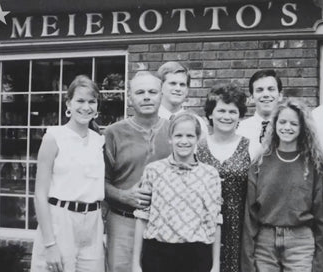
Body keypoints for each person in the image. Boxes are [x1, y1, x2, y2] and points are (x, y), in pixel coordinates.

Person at [241, 100, 323, 272]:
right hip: (265, 241)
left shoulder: (313, 164)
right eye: (282, 122)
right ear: (274, 124)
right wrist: (248, 261)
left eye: (294, 123)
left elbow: (321, 216)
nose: (287, 127)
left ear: (302, 127)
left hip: (300, 242)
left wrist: (321, 262)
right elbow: (250, 215)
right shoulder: (260, 162)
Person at [31, 75, 105, 272]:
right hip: (60, 222)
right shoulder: (53, 137)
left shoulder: (99, 141)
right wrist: (49, 244)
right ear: (68, 104)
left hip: (93, 224)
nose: (86, 107)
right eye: (80, 100)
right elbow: (39, 195)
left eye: (92, 101)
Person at [132, 113, 222, 272]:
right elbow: (142, 217)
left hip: (197, 255)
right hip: (158, 255)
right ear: (170, 138)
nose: (184, 141)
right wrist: (135, 264)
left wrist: (216, 265)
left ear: (197, 138)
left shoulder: (210, 174)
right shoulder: (154, 171)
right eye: (178, 135)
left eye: (190, 136)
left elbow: (215, 221)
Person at [104, 71, 172, 272]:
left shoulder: (175, 131)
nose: (147, 96)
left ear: (161, 95)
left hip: (164, 224)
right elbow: (99, 182)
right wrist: (124, 195)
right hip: (124, 222)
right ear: (130, 97)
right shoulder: (113, 133)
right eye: (140, 92)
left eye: (152, 91)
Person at [196, 83, 259, 272]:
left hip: (239, 228)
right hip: (203, 225)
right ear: (210, 114)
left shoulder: (252, 147)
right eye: (221, 110)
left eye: (233, 112)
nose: (226, 116)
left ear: (240, 116)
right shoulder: (197, 147)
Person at [157, 61, 209, 137]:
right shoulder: (148, 120)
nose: (178, 88)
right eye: (173, 83)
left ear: (187, 90)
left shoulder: (198, 123)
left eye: (182, 85)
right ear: (160, 86)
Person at [236, 69, 283, 144]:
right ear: (252, 98)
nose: (266, 94)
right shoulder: (240, 129)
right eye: (259, 90)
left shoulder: (288, 129)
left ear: (280, 96)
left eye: (271, 89)